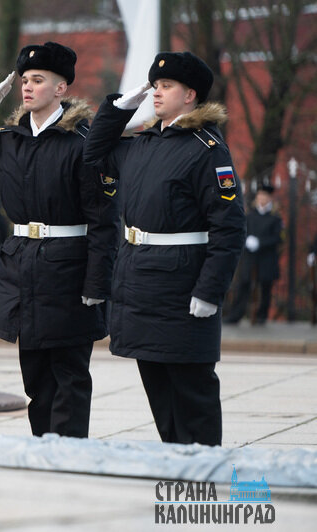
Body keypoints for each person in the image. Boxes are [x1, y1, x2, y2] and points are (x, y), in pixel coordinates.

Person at [0, 42, 118, 439]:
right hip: (22, 268)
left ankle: (69, 455)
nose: (27, 87)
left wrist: (96, 284)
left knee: (69, 376)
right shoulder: (7, 141)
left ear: (60, 89)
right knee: (36, 380)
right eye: (24, 80)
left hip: (69, 270)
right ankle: (43, 450)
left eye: (38, 80)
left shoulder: (83, 144)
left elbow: (105, 222)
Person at [83, 51, 246, 446]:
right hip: (140, 279)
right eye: (154, 86)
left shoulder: (207, 149)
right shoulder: (143, 144)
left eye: (166, 86)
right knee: (158, 388)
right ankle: (176, 467)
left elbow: (229, 226)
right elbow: (93, 153)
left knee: (191, 391)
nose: (156, 93)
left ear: (190, 95)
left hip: (182, 284)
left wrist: (210, 290)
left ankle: (204, 475)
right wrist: (120, 107)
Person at [223, 184, 283, 325]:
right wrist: (247, 240)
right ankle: (235, 315)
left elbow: (279, 237)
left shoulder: (275, 217)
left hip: (266, 257)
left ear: (269, 198)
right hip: (250, 256)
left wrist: (260, 242)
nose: (262, 198)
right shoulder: (249, 215)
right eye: (260, 195)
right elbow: (241, 232)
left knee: (265, 287)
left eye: (265, 196)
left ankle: (261, 316)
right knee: (243, 284)